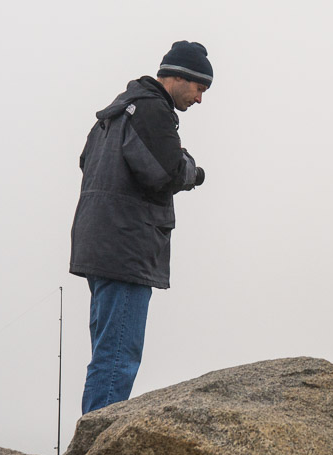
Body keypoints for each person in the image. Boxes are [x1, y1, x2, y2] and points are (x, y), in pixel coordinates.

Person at [69, 41, 213, 414]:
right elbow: (164, 172)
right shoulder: (151, 110)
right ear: (179, 77)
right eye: (199, 88)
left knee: (106, 353)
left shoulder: (113, 114)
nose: (200, 99)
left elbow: (87, 163)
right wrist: (192, 170)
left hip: (99, 245)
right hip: (126, 249)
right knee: (118, 356)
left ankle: (92, 439)